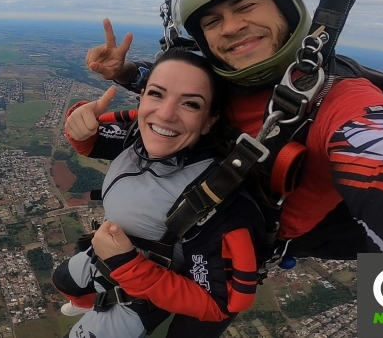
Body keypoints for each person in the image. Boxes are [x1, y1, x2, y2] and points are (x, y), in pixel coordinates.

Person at [80, 0, 383, 337]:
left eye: (245, 7)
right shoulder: (228, 82)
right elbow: (184, 95)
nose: (231, 27)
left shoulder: (342, 102)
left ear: (286, 12)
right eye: (213, 22)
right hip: (217, 230)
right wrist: (129, 74)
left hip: (338, 234)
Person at [53, 48, 265, 338]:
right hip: (110, 253)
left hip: (146, 288)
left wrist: (126, 266)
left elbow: (217, 305)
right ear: (142, 97)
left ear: (210, 120)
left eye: (190, 104)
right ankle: (86, 303)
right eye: (156, 94)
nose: (165, 115)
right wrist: (80, 129)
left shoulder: (214, 197)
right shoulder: (139, 136)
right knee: (62, 280)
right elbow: (92, 142)